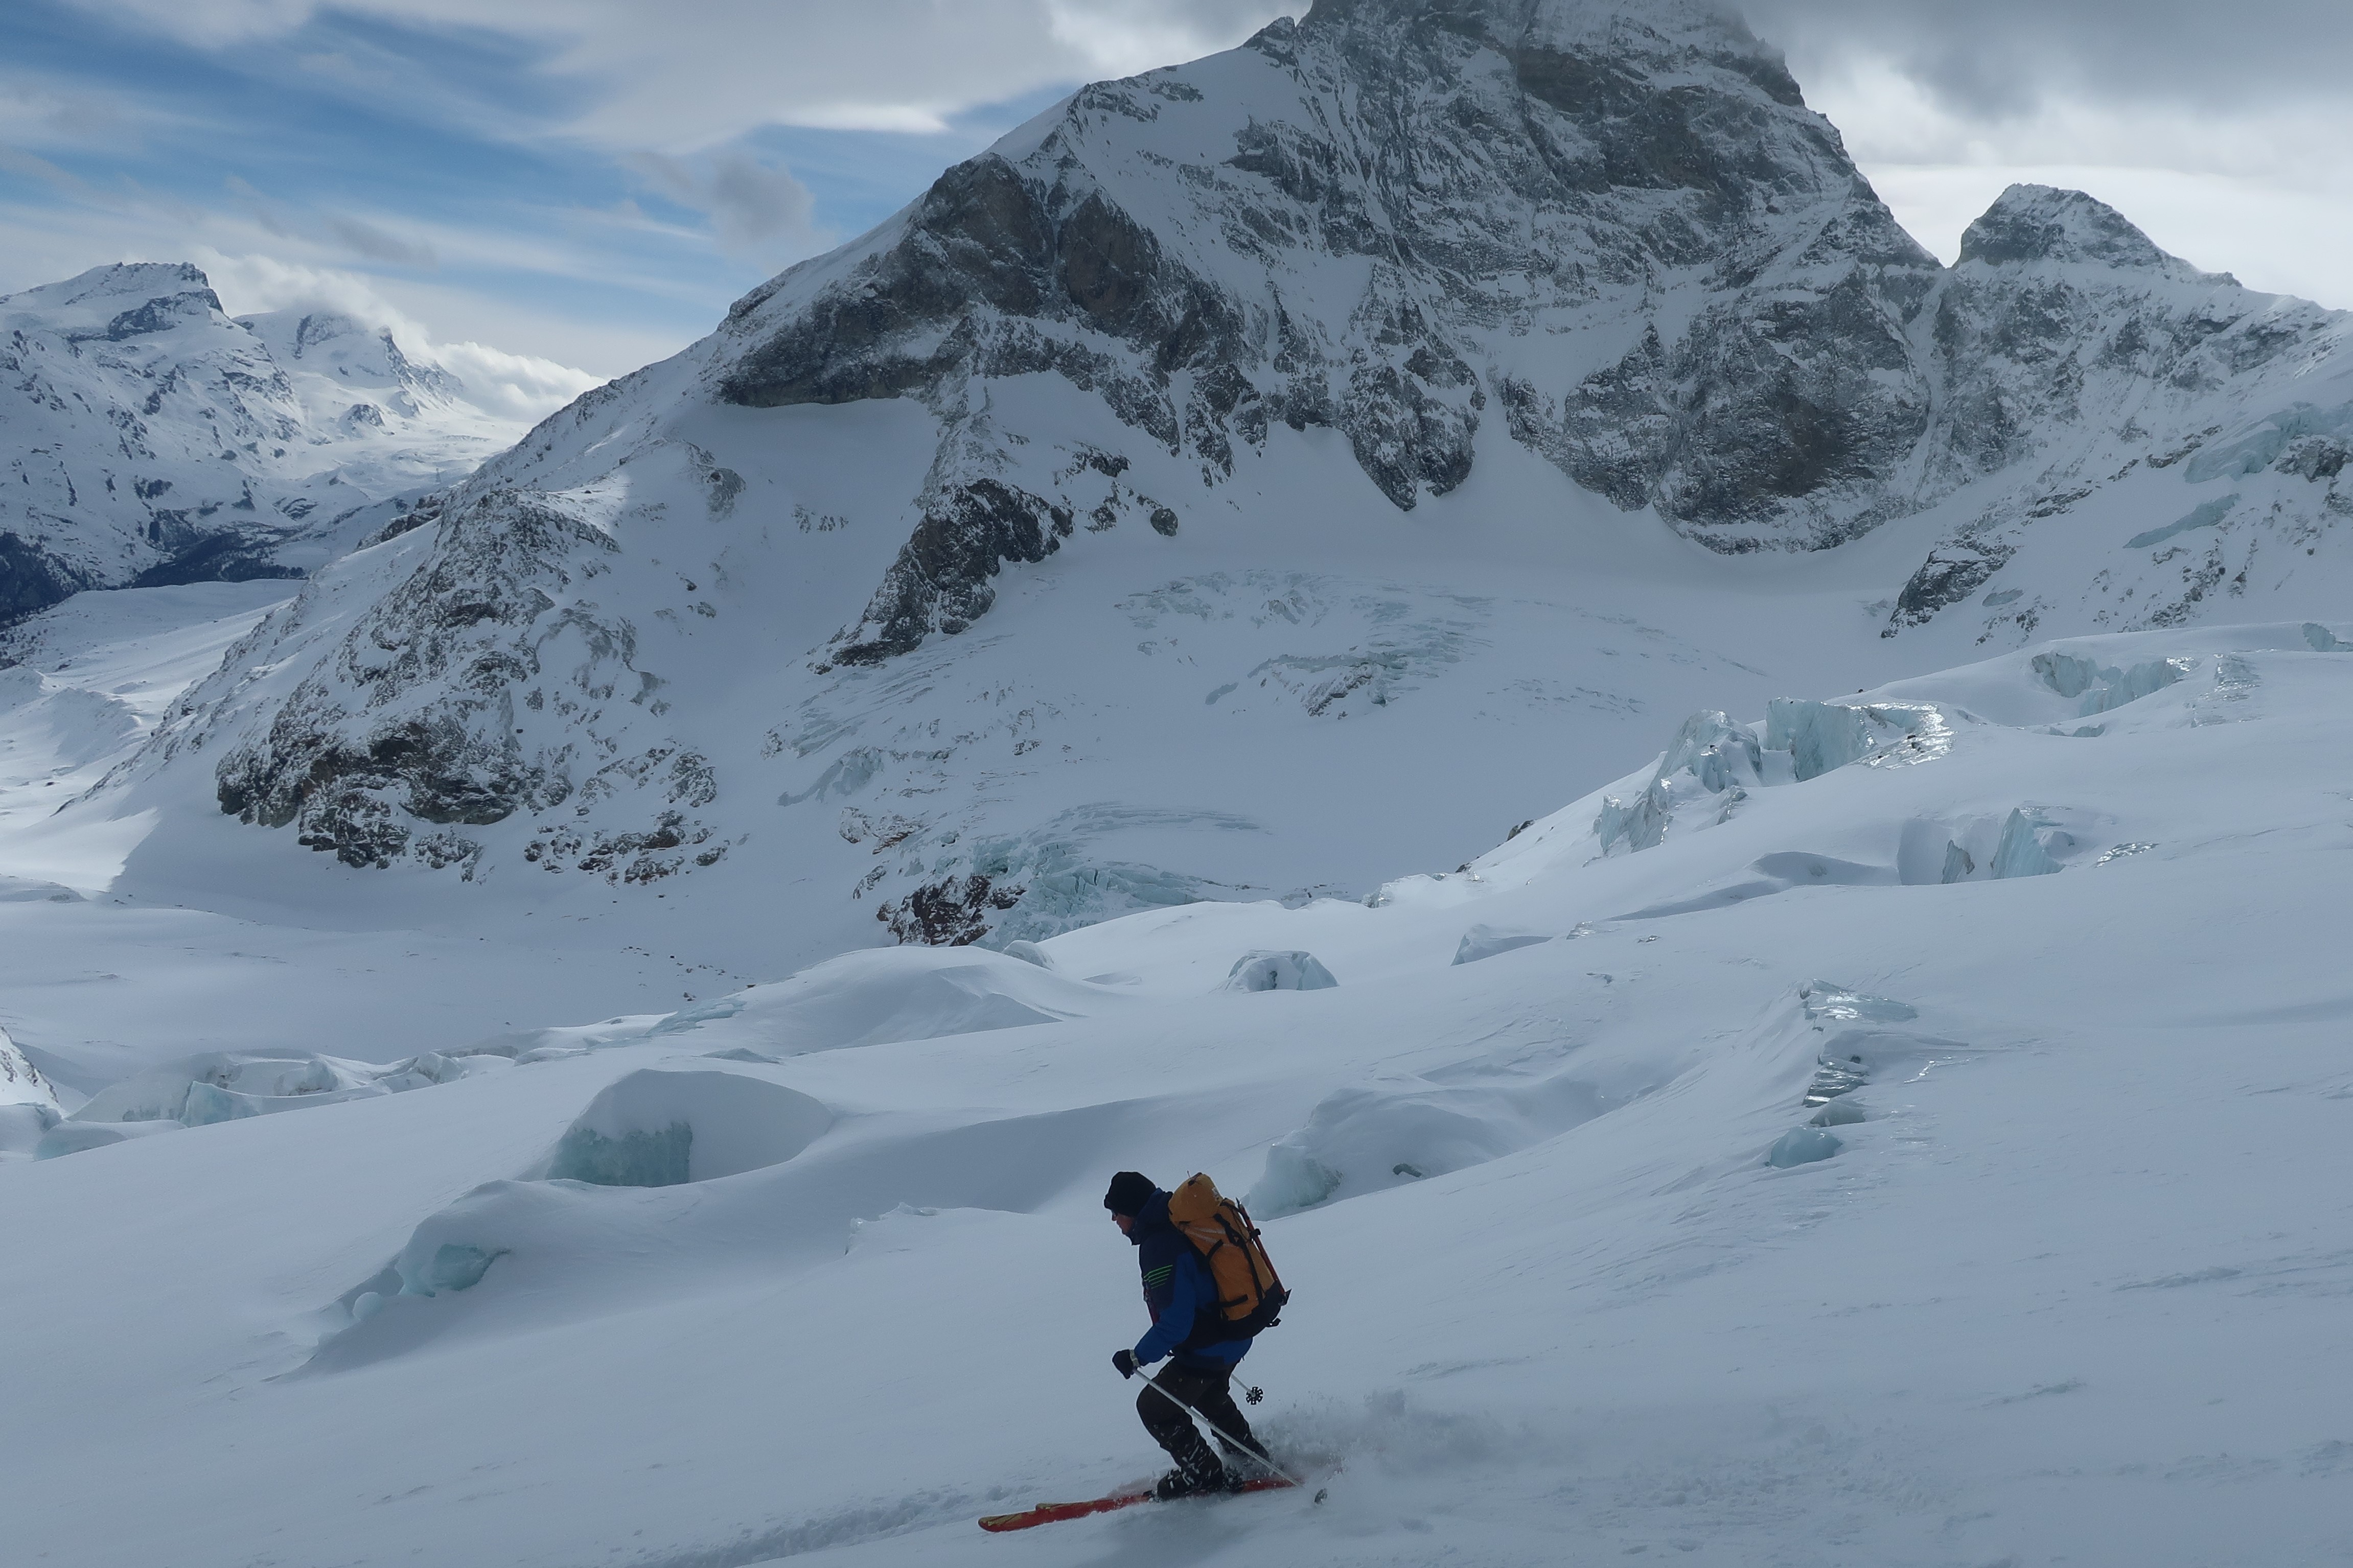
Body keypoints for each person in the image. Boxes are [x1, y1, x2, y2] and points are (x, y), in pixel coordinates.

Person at [1102, 1169, 1273, 1499]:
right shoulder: (1176, 1223)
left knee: (1154, 1408)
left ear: (1133, 1211)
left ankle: (1204, 1473)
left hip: (1210, 1344)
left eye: (1116, 1212)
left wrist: (1137, 1357)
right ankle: (1249, 1454)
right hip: (1237, 1329)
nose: (1114, 1220)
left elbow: (1177, 1323)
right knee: (1209, 1394)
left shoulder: (1159, 1246)